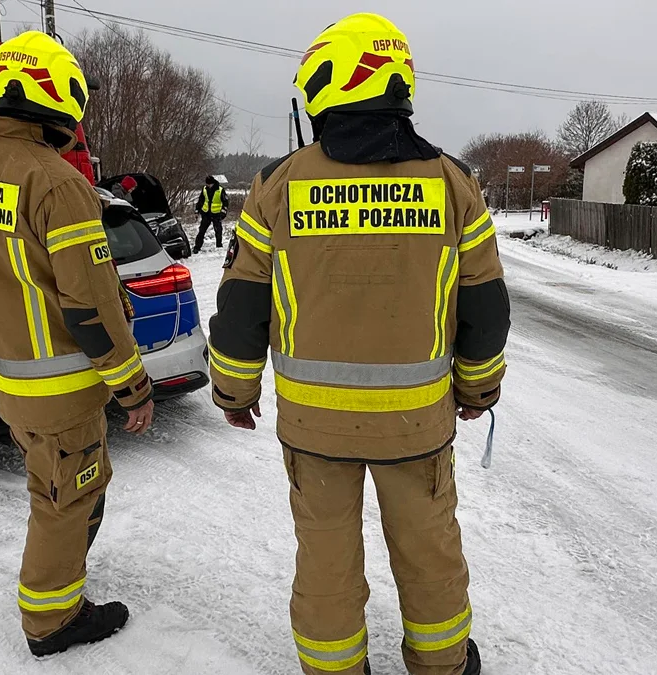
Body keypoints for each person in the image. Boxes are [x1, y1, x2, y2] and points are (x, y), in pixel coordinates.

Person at [207, 13, 509, 675]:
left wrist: (233, 391)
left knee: (325, 561)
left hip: (316, 428)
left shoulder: (276, 185)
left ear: (328, 85)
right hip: (416, 425)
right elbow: (484, 306)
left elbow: (240, 309)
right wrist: (477, 388)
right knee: (430, 555)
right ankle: (441, 665)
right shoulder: (453, 183)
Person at [0, 31, 155, 657]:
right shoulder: (55, 181)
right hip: (60, 390)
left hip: (10, 382)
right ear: (57, 100)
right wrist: (134, 386)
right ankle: (52, 619)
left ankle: (61, 585)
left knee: (58, 485)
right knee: (68, 495)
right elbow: (90, 306)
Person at [193, 174, 228, 252]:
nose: (208, 185)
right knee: (201, 231)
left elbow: (225, 202)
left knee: (218, 231)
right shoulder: (204, 189)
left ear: (213, 183)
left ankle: (219, 246)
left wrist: (223, 212)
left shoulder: (220, 190)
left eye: (209, 184)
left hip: (216, 214)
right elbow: (200, 201)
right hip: (206, 214)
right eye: (207, 184)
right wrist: (197, 211)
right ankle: (197, 247)